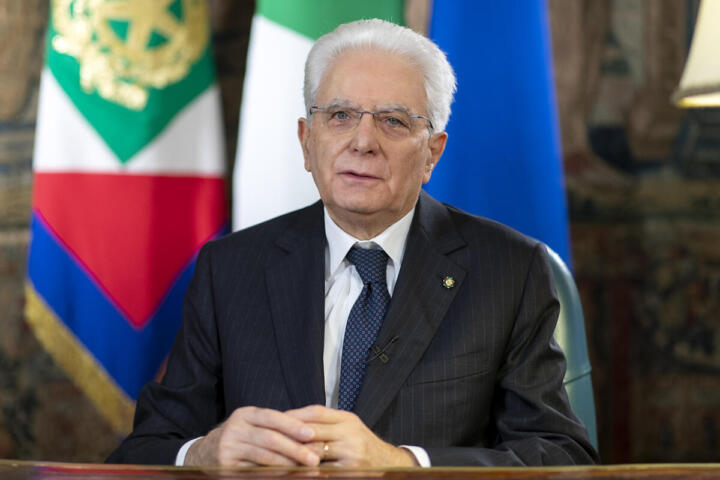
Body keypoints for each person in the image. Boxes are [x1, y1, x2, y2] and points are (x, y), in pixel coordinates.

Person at [107, 19, 598, 467]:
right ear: (307, 141)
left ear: (432, 153)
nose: (362, 142)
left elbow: (562, 457)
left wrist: (404, 464)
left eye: (393, 121)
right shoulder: (231, 269)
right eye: (340, 115)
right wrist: (203, 451)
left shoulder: (510, 270)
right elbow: (143, 450)